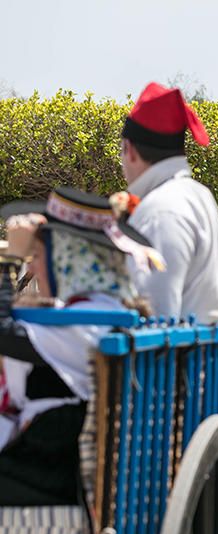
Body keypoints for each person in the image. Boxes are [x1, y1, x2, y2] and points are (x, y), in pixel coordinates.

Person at [0, 188, 159, 505]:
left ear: (68, 259)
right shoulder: (104, 310)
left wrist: (9, 260)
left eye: (37, 257)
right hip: (46, 456)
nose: (33, 266)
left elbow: (4, 334)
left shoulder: (90, 319)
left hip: (45, 469)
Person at [120, 82, 218, 323]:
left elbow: (154, 311)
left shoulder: (160, 209)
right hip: (206, 353)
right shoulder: (199, 194)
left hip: (179, 357)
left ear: (129, 150)